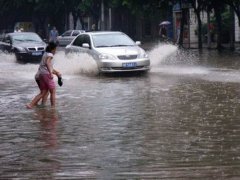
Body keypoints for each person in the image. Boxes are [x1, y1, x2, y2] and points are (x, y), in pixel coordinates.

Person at [26, 42, 61, 109]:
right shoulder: (50, 55)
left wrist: (57, 73)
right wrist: (50, 73)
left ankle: (31, 105)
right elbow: (48, 63)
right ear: (53, 49)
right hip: (46, 74)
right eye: (55, 49)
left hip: (41, 75)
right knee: (53, 91)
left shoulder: (45, 54)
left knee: (44, 92)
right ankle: (53, 107)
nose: (56, 51)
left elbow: (47, 66)